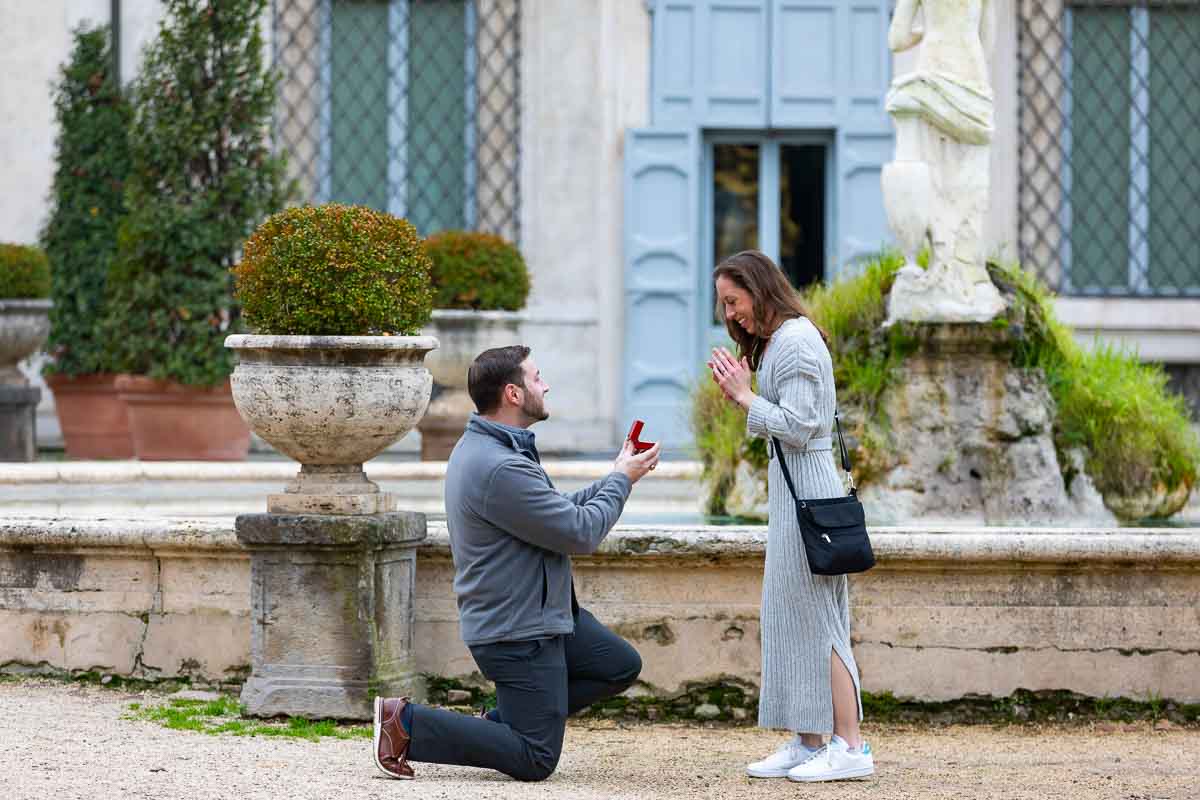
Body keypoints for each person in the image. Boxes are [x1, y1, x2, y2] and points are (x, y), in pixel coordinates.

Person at [372, 344, 662, 782]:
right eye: (536, 377)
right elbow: (581, 533)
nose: (545, 385)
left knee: (617, 664)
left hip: (546, 615)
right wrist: (622, 481)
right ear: (513, 393)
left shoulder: (498, 449)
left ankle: (508, 722)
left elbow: (558, 513)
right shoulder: (497, 466)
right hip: (518, 632)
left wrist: (616, 474)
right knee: (535, 757)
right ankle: (407, 724)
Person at [707, 250, 875, 782]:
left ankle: (850, 747)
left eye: (733, 301)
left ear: (760, 290)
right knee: (790, 617)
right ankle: (808, 740)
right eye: (723, 306)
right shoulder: (782, 342)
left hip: (811, 494)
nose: (730, 314)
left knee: (823, 623)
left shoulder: (797, 341)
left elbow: (802, 426)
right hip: (795, 493)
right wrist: (746, 395)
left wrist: (742, 396)